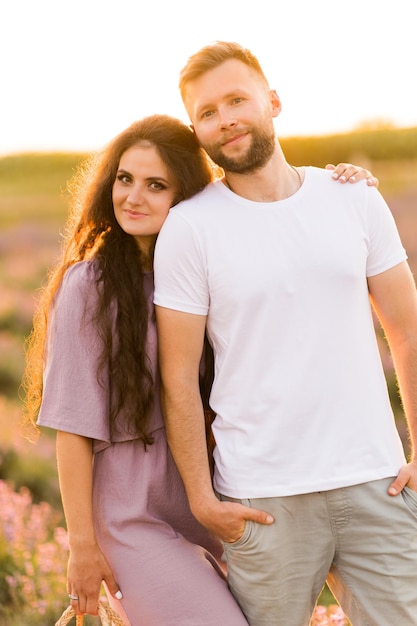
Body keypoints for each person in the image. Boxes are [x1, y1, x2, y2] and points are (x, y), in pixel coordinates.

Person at [22, 112, 377, 624]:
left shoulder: (207, 267)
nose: (133, 197)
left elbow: (288, 244)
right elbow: (71, 427)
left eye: (155, 185)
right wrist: (82, 546)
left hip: (214, 494)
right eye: (124, 179)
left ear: (186, 196)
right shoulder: (90, 284)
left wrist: (344, 187)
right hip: (132, 513)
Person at [153, 42, 417, 626]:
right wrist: (202, 498)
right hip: (261, 500)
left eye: (237, 100)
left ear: (272, 101)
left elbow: (407, 330)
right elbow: (176, 376)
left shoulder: (353, 197)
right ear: (197, 130)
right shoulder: (190, 228)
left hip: (379, 485)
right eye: (207, 112)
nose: (225, 119)